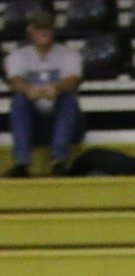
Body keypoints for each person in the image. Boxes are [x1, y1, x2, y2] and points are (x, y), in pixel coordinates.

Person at [3, 10, 84, 177]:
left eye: (47, 27)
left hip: (65, 121)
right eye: (39, 28)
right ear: (30, 30)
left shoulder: (69, 54)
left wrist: (56, 89)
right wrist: (29, 90)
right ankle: (21, 162)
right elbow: (14, 80)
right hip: (35, 123)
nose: (44, 31)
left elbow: (73, 79)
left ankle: (59, 160)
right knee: (19, 102)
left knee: (67, 99)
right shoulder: (18, 56)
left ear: (54, 30)